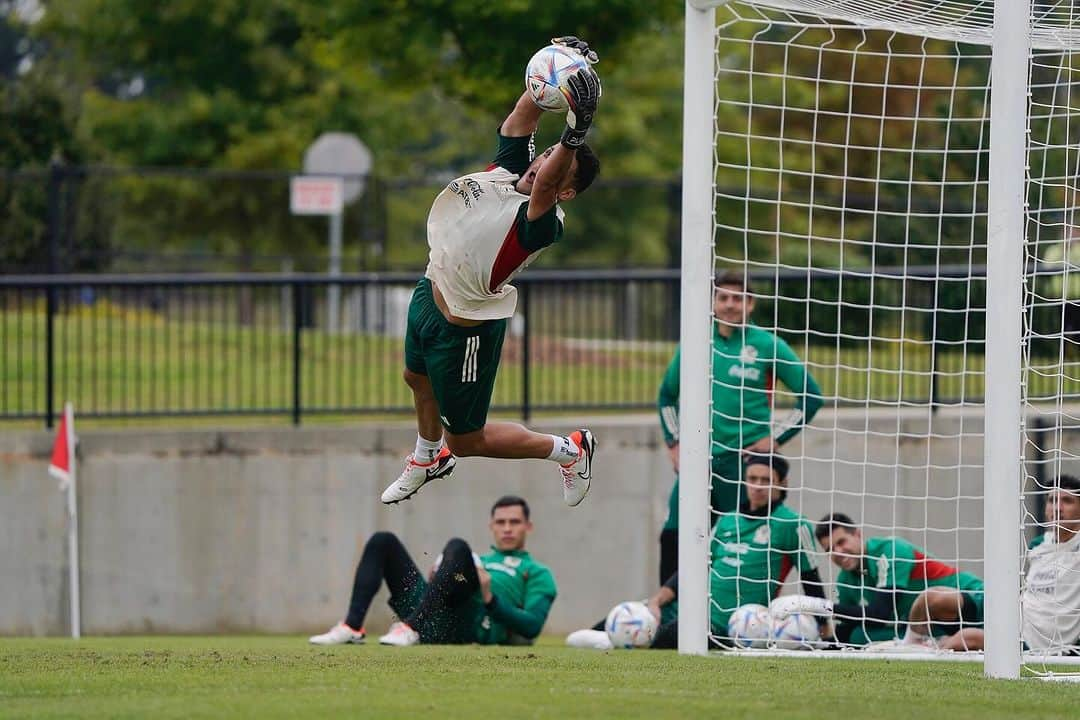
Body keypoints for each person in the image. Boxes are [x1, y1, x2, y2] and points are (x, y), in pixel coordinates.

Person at [380, 37, 602, 508]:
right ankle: (426, 457)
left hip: (466, 328)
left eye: (557, 170)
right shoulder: (508, 169)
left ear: (565, 194)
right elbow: (522, 116)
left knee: (468, 440)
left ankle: (569, 451)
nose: (544, 164)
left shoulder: (541, 223)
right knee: (414, 377)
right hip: (430, 289)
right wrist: (554, 68)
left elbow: (544, 183)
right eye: (546, 157)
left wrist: (576, 131)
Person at [656, 270, 823, 583]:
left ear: (751, 304)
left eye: (738, 298)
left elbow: (811, 397)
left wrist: (775, 438)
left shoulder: (768, 345)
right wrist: (674, 442)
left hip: (743, 466)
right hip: (698, 462)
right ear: (714, 302)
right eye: (723, 297)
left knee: (740, 548)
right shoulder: (696, 340)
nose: (730, 304)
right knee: (673, 537)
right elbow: (667, 395)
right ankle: (665, 620)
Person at [566, 454, 828, 649]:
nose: (758, 486)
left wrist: (824, 626)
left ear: (782, 483)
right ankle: (613, 636)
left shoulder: (793, 524)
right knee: (617, 618)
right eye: (752, 479)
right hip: (689, 606)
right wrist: (656, 603)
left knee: (674, 633)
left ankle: (617, 642)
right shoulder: (727, 519)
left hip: (730, 622)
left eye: (766, 480)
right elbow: (696, 567)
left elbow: (811, 575)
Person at [310, 495, 557, 647]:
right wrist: (442, 577)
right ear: (491, 526)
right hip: (432, 611)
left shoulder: (536, 571)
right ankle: (353, 627)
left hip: (468, 621)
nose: (507, 529)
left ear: (528, 526)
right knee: (383, 541)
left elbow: (532, 626)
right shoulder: (480, 560)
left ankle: (411, 628)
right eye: (501, 522)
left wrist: (490, 597)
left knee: (458, 548)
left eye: (514, 522)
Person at [947, 475, 1080, 654]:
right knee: (937, 600)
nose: (1057, 508)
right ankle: (915, 641)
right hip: (1017, 619)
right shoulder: (1038, 545)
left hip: (1043, 643)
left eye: (1067, 501)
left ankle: (929, 653)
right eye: (1052, 500)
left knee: (967, 637)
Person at [815, 513, 985, 650]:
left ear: (858, 535)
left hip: (973, 603)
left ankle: (940, 643)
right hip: (931, 626)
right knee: (858, 636)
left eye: (841, 542)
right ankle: (934, 643)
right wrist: (815, 644)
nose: (838, 552)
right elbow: (844, 631)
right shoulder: (845, 580)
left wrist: (819, 606)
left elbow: (880, 613)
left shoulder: (891, 550)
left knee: (932, 600)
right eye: (829, 549)